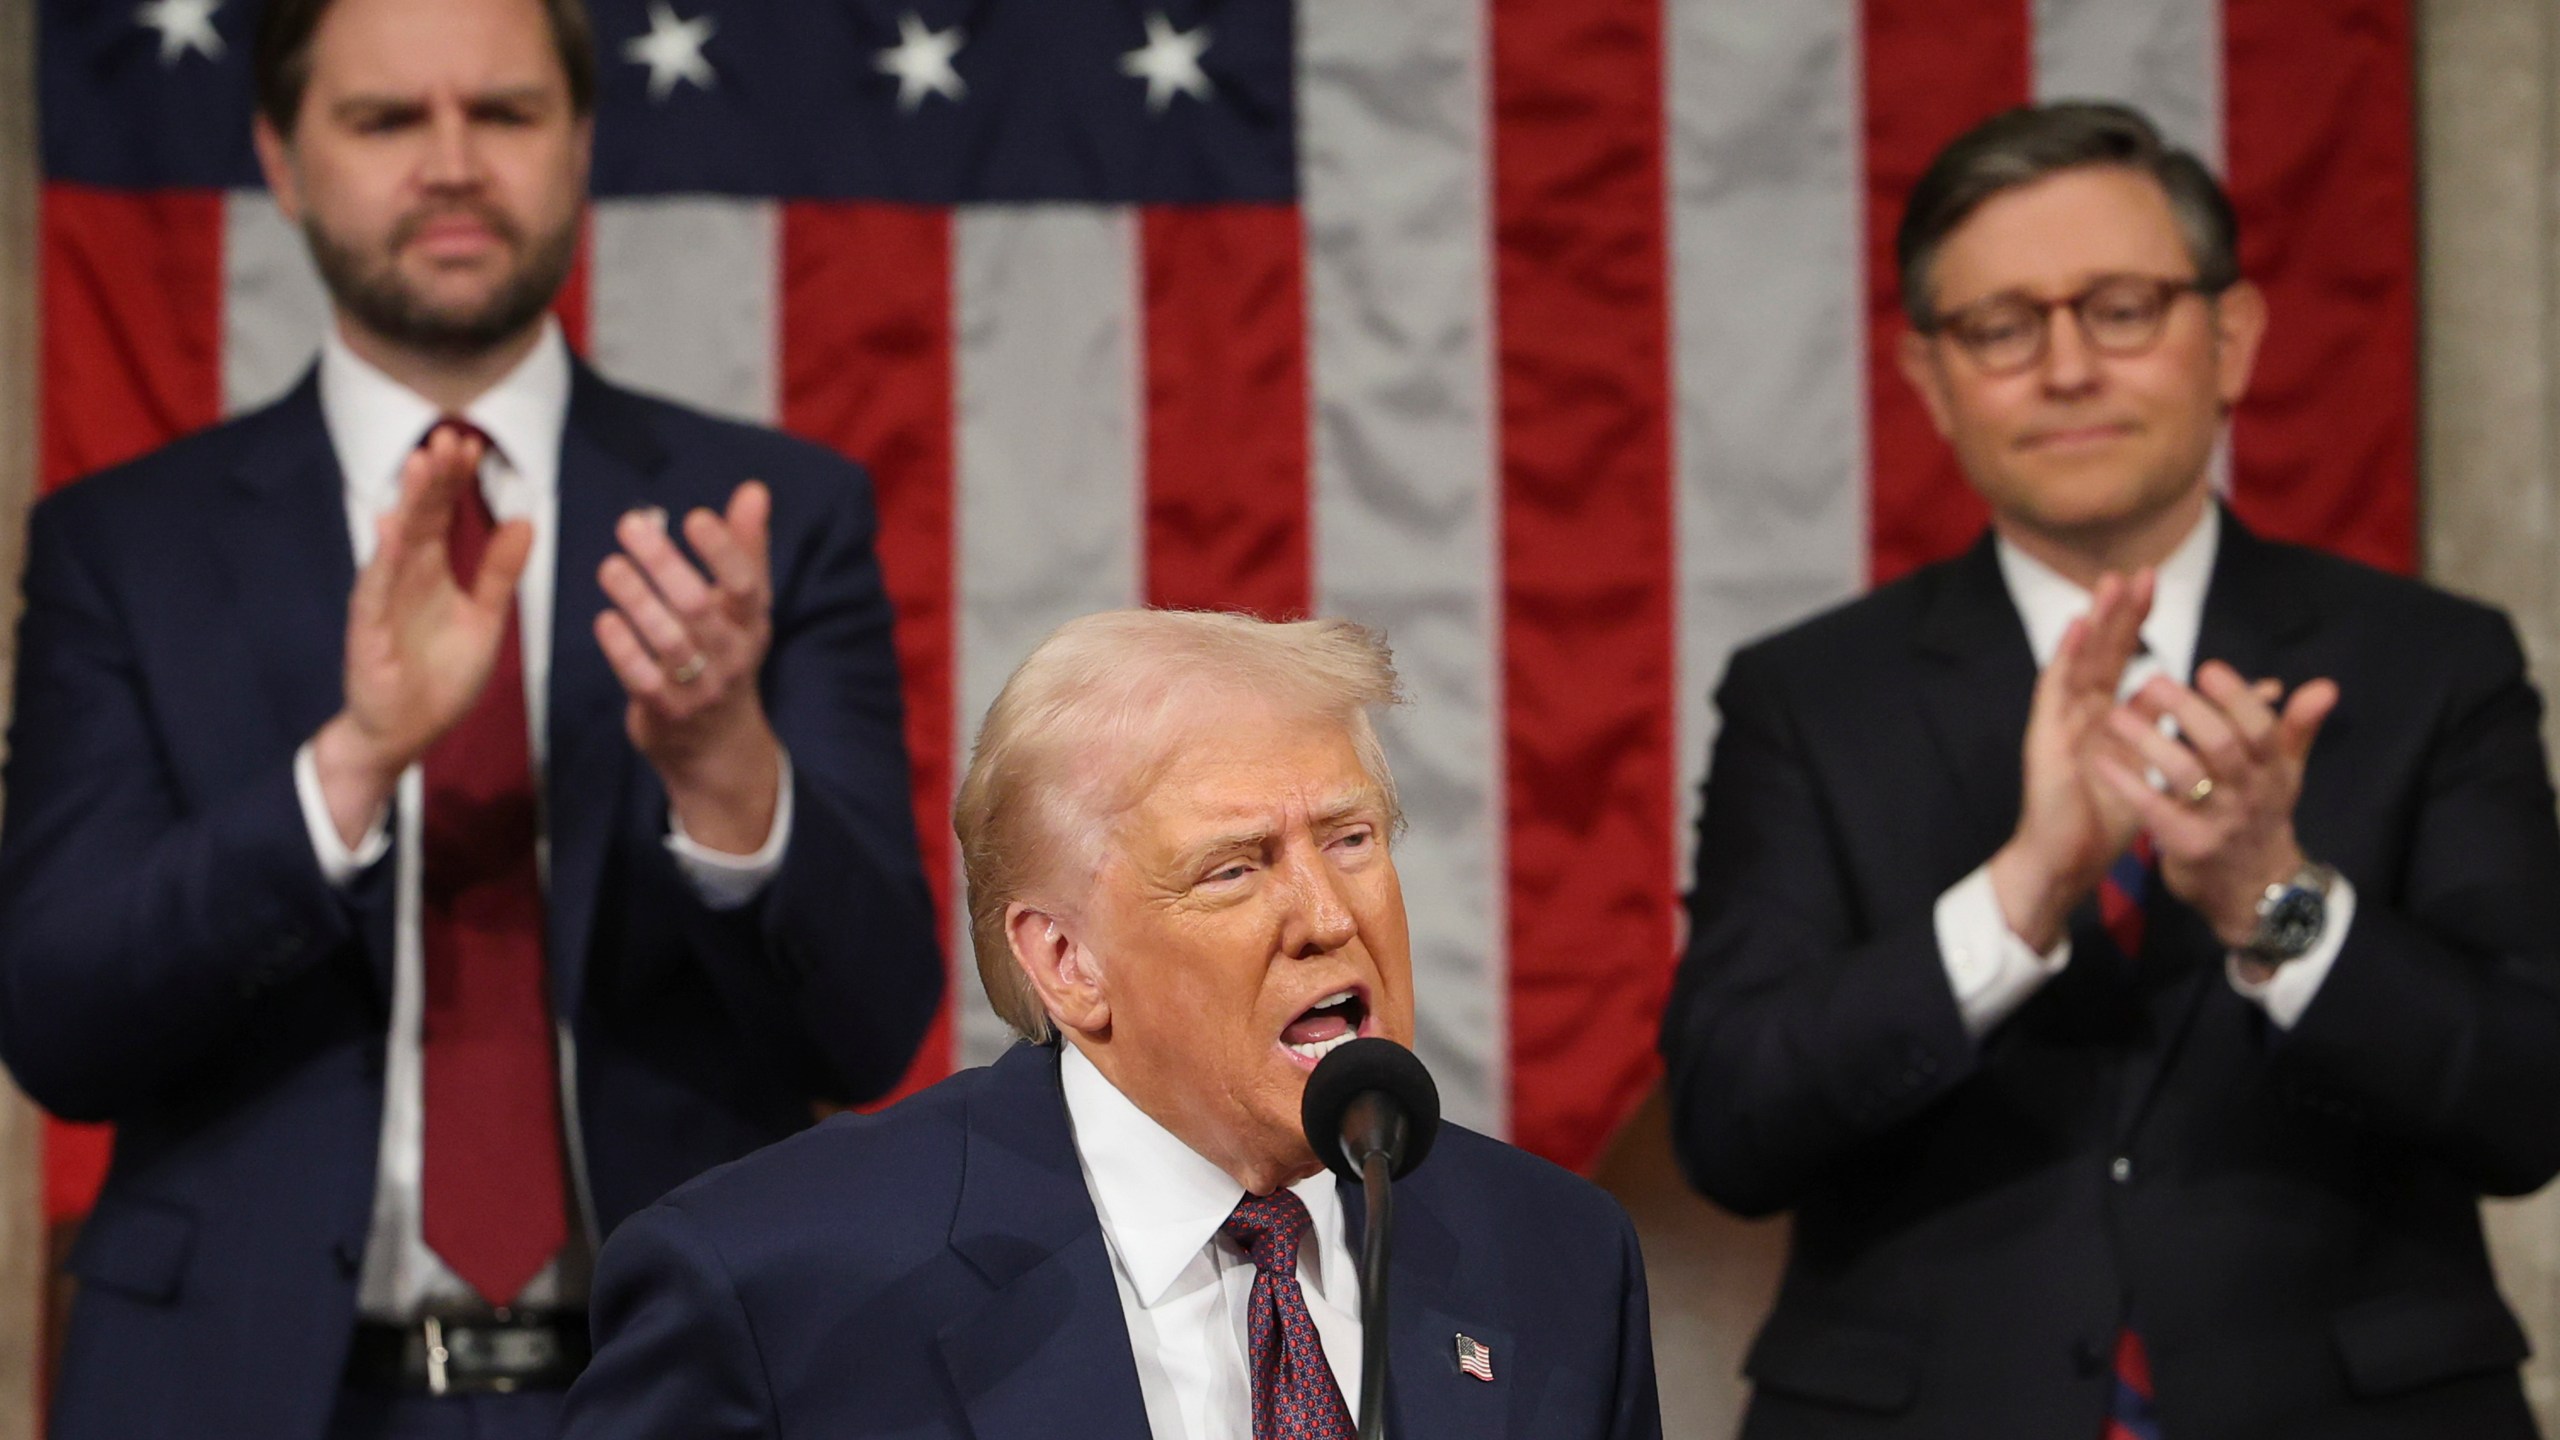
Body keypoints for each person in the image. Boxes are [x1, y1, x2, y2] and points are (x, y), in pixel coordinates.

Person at [0, 0, 943, 1434]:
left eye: (502, 113)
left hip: (672, 1389)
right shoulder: (125, 546)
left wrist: (725, 777)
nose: (451, 163)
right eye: (386, 120)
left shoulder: (767, 522)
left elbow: (873, 1031)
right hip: (238, 1393)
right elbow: (58, 1026)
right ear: (283, 156)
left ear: (577, 142)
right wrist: (350, 765)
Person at [1660, 101, 2560, 1439]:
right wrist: (2020, 892)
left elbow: (2527, 1102)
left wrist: (2274, 897)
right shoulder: (1808, 698)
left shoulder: (2431, 663)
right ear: (1930, 380)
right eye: (2004, 327)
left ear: (2233, 339)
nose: (2068, 367)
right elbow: (1732, 1125)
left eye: (2124, 308)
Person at [557, 610, 1663, 1440]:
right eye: (1233, 870)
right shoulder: (777, 1288)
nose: (1327, 917)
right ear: (1067, 963)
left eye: (1351, 839)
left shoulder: (1554, 1254)